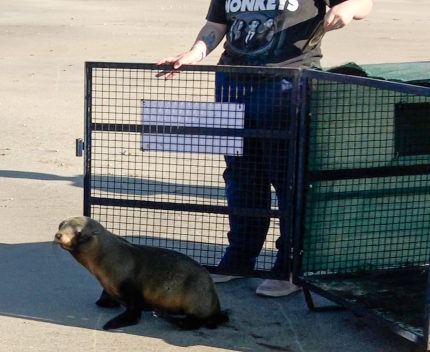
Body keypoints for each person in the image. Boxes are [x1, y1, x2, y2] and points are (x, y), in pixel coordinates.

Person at [157, 0, 373, 297]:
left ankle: (290, 266)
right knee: (241, 174)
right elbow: (216, 25)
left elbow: (363, 3)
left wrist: (347, 9)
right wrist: (194, 53)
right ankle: (239, 257)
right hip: (231, 81)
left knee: (288, 178)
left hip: (287, 81)